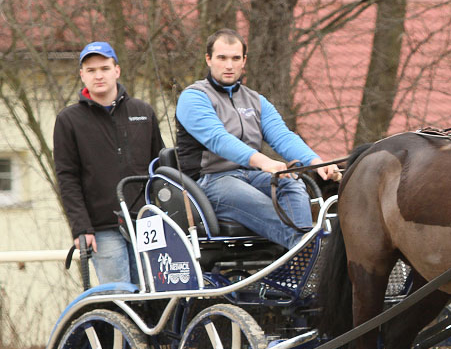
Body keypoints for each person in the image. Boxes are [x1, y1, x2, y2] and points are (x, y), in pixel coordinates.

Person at [175, 28, 338, 249]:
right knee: (280, 218)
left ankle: (298, 263)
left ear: (244, 61)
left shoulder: (256, 100)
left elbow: (282, 136)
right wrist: (264, 162)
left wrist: (316, 163)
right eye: (222, 58)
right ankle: (309, 253)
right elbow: (218, 139)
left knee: (291, 183)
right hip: (210, 182)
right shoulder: (193, 97)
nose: (229, 65)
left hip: (251, 177)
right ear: (208, 59)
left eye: (235, 58)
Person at [54, 41, 165, 285]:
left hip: (146, 222)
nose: (98, 75)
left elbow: (160, 169)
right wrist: (81, 228)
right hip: (102, 227)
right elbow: (67, 178)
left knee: (156, 293)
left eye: (104, 68)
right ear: (82, 75)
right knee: (119, 297)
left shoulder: (143, 112)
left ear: (117, 70)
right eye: (91, 70)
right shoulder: (68, 120)